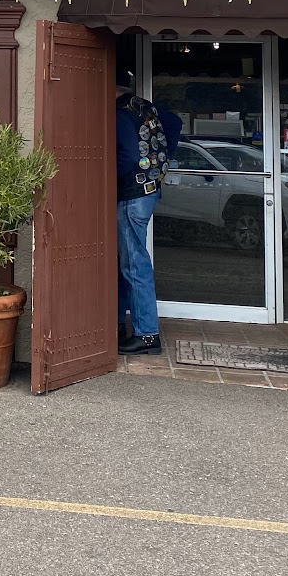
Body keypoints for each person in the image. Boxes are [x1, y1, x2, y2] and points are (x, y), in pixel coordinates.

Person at [116, 65, 181, 357]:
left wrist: (106, 178)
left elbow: (128, 155)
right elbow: (175, 123)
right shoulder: (144, 106)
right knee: (126, 261)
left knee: (134, 264)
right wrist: (161, 160)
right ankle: (116, 322)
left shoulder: (118, 112)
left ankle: (147, 335)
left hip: (131, 194)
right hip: (151, 190)